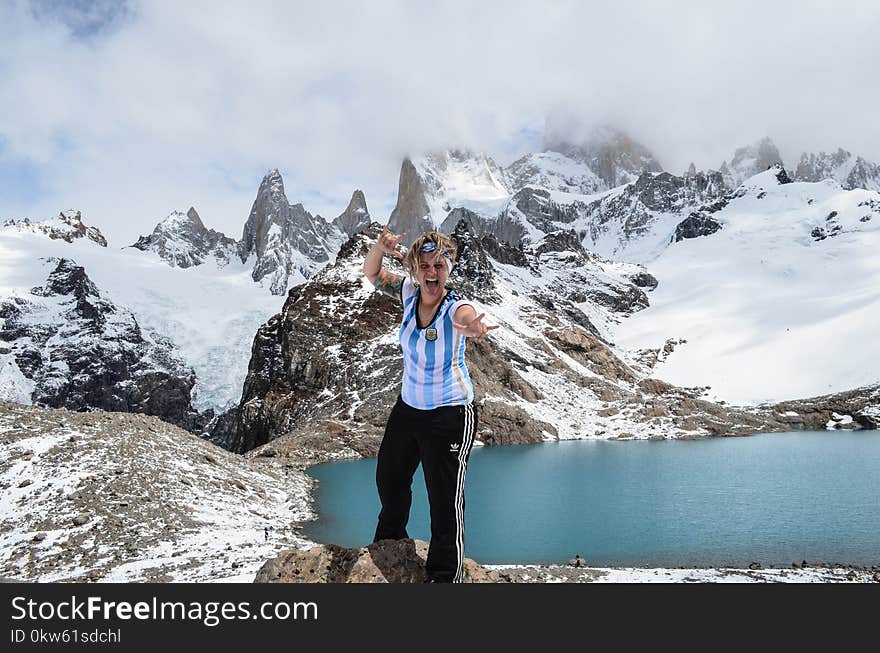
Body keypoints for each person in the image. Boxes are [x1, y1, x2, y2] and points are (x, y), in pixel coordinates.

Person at [363, 225, 498, 583]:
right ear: (415, 270)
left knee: (444, 500)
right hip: (408, 409)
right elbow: (372, 273)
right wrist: (380, 246)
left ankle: (442, 577)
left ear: (449, 270)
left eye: (439, 265)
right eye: (424, 266)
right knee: (390, 480)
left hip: (449, 414)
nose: (432, 272)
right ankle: (390, 544)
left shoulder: (457, 308)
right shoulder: (407, 293)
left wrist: (474, 329)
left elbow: (468, 320)